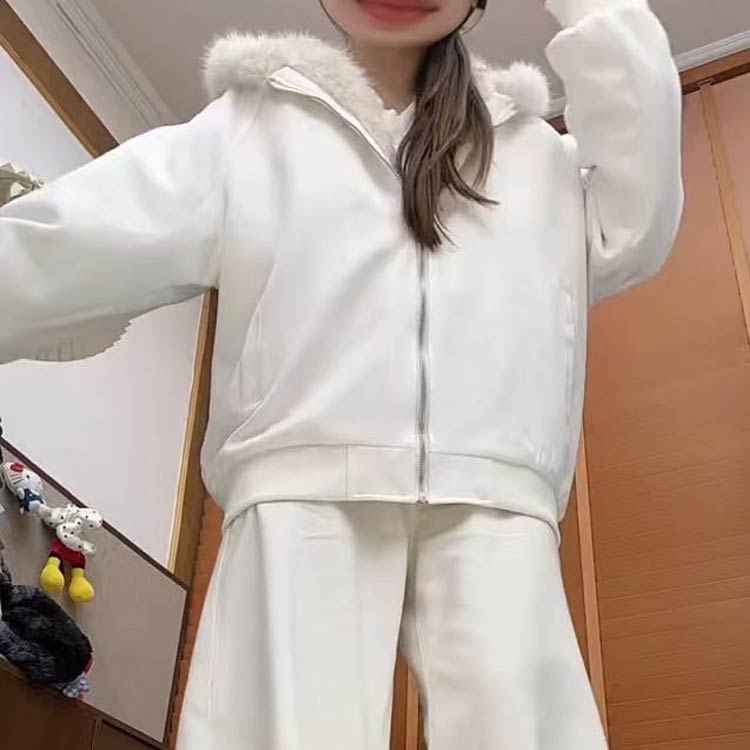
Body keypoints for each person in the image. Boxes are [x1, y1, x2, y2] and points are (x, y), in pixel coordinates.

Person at [0, 0, 683, 747]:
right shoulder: (248, 128)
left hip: (499, 499)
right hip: (296, 494)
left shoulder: (536, 155)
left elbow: (635, 227)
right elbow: (59, 250)